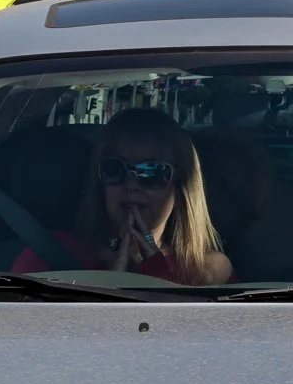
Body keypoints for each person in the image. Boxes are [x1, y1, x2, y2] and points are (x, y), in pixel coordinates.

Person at [12, 109, 233, 284]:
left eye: (152, 172)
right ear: (99, 182)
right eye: (114, 170)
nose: (132, 185)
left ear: (182, 186)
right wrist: (106, 284)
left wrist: (155, 270)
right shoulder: (50, 254)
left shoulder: (206, 271)